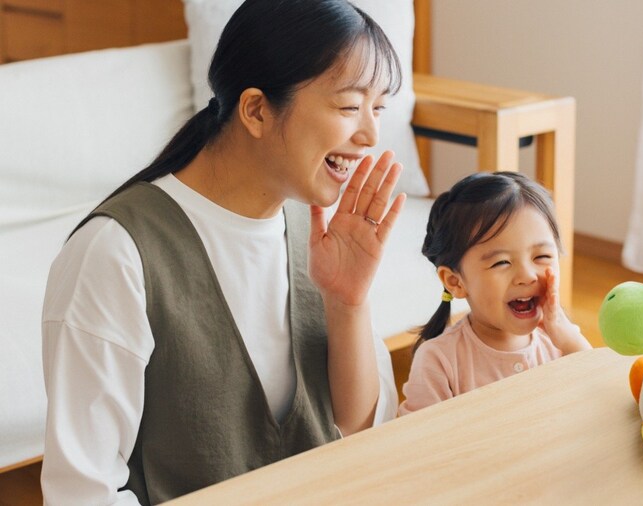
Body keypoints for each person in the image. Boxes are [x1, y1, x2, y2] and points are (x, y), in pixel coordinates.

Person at [40, 1, 407, 503]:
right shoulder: (115, 254)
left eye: (378, 108)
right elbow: (83, 493)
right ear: (255, 110)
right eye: (349, 107)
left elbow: (362, 434)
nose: (370, 135)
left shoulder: (322, 229)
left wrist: (349, 303)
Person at [398, 172, 592, 415]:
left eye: (542, 256)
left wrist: (570, 340)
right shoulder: (439, 360)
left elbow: (596, 400)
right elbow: (417, 435)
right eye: (501, 262)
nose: (527, 276)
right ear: (455, 282)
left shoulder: (563, 343)